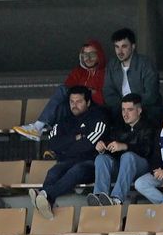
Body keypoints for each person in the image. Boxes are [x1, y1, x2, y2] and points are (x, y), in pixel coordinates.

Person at [31, 87, 107, 217]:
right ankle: (46, 203)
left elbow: (90, 144)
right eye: (72, 102)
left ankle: (45, 194)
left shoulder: (98, 116)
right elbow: (53, 143)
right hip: (67, 161)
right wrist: (76, 138)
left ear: (88, 102)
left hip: (90, 162)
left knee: (76, 170)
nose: (74, 105)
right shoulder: (65, 119)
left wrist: (66, 146)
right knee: (53, 172)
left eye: (79, 102)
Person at [12, 40, 107, 140]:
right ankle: (55, 142)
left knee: (63, 92)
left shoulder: (106, 72)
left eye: (92, 54)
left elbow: (105, 98)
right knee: (62, 106)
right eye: (85, 54)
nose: (88, 58)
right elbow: (67, 89)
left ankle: (38, 127)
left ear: (99, 55)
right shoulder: (78, 72)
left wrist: (88, 92)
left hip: (95, 109)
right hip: (76, 108)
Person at [86, 94, 155, 206]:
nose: (125, 114)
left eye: (130, 110)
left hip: (143, 168)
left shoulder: (149, 126)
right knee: (101, 158)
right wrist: (103, 147)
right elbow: (111, 146)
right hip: (122, 168)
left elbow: (147, 150)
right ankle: (99, 197)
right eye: (123, 110)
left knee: (128, 156)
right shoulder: (118, 126)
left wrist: (125, 146)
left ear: (139, 110)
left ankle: (116, 199)